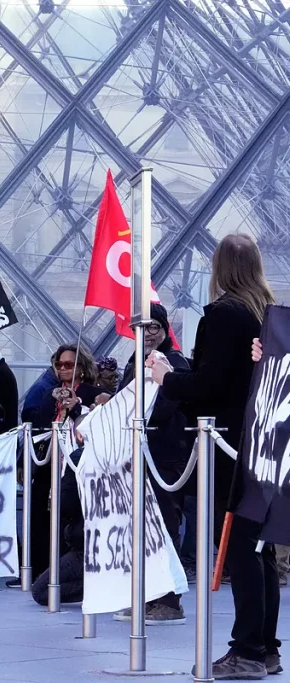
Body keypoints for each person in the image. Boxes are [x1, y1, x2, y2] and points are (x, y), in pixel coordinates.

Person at [148, 234, 278, 679]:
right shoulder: (267, 313)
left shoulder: (223, 315)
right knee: (260, 546)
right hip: (265, 442)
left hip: (230, 442)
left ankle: (247, 651)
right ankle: (267, 647)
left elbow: (209, 386)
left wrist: (167, 376)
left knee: (242, 545)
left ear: (219, 267)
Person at [114, 304, 191, 625]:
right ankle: (147, 595)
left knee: (164, 526)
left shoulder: (176, 364)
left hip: (165, 456)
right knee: (142, 528)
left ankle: (170, 600)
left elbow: (162, 408)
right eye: (141, 329)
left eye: (153, 328)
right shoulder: (134, 362)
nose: (147, 335)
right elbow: (123, 402)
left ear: (164, 328)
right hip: (138, 455)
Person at [29, 344, 99, 580]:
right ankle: (42, 568)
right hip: (49, 464)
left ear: (81, 368)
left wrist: (77, 406)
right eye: (59, 364)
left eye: (68, 364)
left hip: (77, 467)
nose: (63, 369)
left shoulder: (91, 392)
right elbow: (39, 424)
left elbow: (95, 423)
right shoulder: (50, 393)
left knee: (72, 517)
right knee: (43, 516)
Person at [32, 447, 85, 606]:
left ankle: (101, 587)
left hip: (86, 545)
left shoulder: (78, 457)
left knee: (41, 591)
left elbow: (65, 504)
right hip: (116, 545)